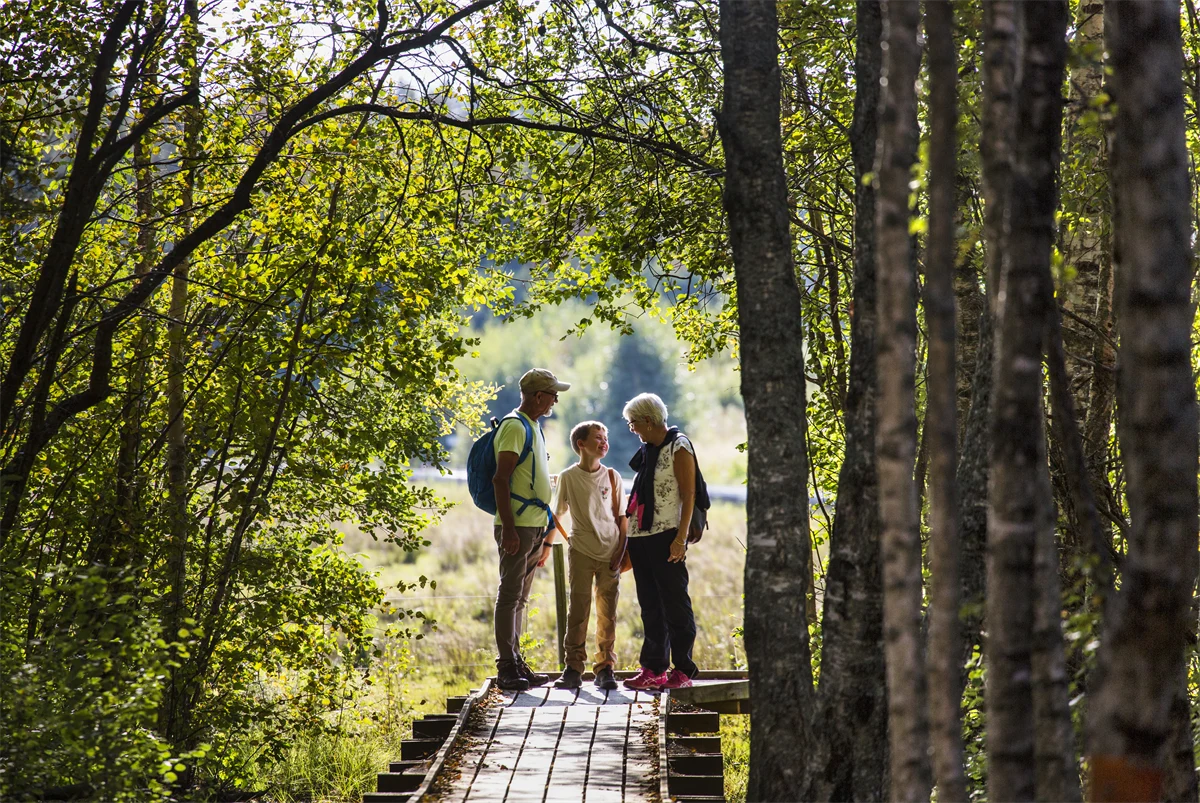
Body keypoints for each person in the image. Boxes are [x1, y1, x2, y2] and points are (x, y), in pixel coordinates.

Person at [492, 368, 570, 691]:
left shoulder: (534, 426)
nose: (555, 400)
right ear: (538, 396)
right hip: (519, 525)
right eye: (553, 394)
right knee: (510, 595)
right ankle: (506, 666)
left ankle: (516, 660)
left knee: (520, 598)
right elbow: (501, 479)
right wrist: (509, 529)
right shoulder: (514, 427)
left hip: (534, 525)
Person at [621, 392, 699, 691]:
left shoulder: (679, 446)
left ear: (649, 421)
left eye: (633, 423)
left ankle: (684, 670)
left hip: (667, 535)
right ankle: (653, 668)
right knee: (650, 606)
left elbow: (689, 494)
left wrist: (681, 538)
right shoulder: (648, 450)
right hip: (641, 535)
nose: (632, 429)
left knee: (675, 604)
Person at [549, 421, 628, 691]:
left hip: (611, 552)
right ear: (581, 444)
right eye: (598, 437)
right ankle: (573, 667)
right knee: (579, 610)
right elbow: (556, 514)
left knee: (608, 612)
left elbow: (622, 517)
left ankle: (605, 668)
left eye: (606, 437)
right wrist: (550, 545)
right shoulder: (568, 477)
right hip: (581, 551)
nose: (604, 442)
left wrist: (621, 550)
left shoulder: (613, 476)